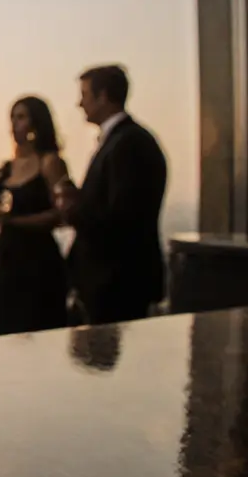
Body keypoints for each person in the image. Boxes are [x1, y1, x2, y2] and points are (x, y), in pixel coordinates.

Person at [55, 64, 168, 325]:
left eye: (84, 95)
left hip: (117, 282)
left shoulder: (128, 144)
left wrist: (71, 209)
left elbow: (120, 218)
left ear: (103, 96)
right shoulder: (125, 141)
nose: (79, 104)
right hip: (114, 280)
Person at [0, 96, 71, 336]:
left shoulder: (50, 163)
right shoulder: (7, 168)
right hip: (7, 258)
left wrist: (17, 222)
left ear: (36, 122)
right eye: (12, 118)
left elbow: (62, 214)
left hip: (38, 260)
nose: (15, 124)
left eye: (21, 117)